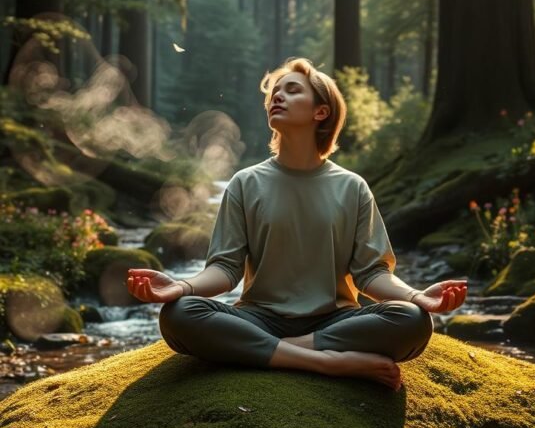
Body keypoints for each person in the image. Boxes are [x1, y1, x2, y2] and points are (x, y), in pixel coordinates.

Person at [127, 57, 467, 390]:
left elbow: (371, 274)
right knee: (179, 314)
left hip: (333, 320)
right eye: (276, 91)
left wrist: (417, 295)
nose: (278, 96)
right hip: (258, 318)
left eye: (292, 91)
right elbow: (226, 270)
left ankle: (273, 352)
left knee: (412, 320)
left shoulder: (352, 187)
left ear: (321, 111)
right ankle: (328, 362)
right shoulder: (245, 183)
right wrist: (181, 287)